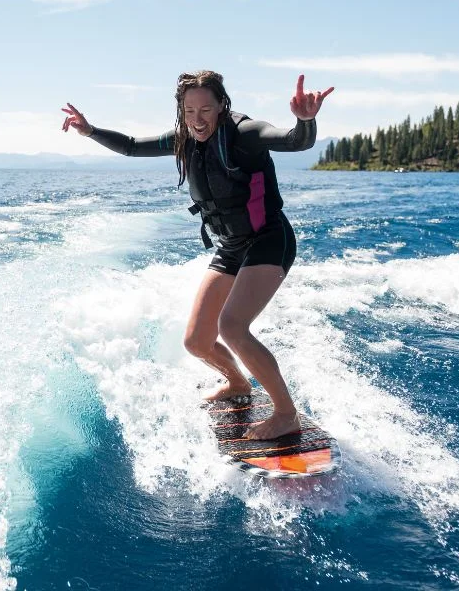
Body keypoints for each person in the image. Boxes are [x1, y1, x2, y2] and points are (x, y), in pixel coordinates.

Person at [61, 71, 333, 439]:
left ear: (222, 105)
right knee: (196, 342)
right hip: (231, 247)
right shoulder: (183, 140)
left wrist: (305, 120)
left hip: (269, 240)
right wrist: (90, 130)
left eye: (206, 109)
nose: (198, 119)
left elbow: (293, 141)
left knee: (233, 327)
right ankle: (238, 383)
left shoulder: (246, 133)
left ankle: (286, 413)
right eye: (189, 111)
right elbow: (129, 145)